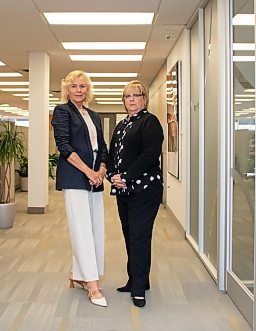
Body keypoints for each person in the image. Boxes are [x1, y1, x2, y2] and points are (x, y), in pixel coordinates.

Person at [51, 70, 108, 307]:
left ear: (88, 90)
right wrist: (89, 172)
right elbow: (64, 146)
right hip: (76, 177)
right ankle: (93, 285)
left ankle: (79, 275)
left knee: (94, 228)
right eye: (73, 86)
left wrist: (102, 170)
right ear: (67, 89)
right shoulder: (62, 112)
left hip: (94, 178)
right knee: (81, 229)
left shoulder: (93, 115)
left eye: (82, 86)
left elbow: (102, 146)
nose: (78, 90)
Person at [106, 80, 164, 308]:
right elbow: (112, 153)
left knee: (139, 236)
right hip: (124, 190)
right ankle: (137, 280)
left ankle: (139, 289)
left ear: (144, 98)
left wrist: (126, 175)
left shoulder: (150, 122)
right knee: (130, 234)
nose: (130, 99)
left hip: (145, 190)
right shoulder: (122, 125)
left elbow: (150, 154)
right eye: (126, 96)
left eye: (135, 95)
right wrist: (112, 174)